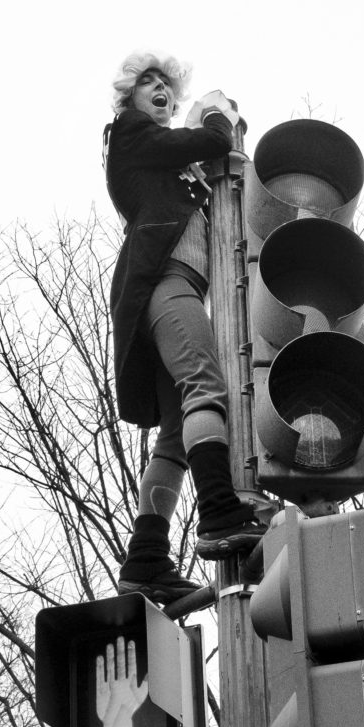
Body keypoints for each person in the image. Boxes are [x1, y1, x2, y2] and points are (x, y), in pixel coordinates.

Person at [103, 49, 264, 605]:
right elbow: (211, 141)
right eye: (148, 82)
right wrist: (217, 119)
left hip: (170, 291)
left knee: (174, 436)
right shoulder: (129, 133)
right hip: (164, 284)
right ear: (130, 97)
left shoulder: (168, 164)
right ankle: (220, 513)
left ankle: (146, 561)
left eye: (166, 84)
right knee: (206, 385)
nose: (161, 89)